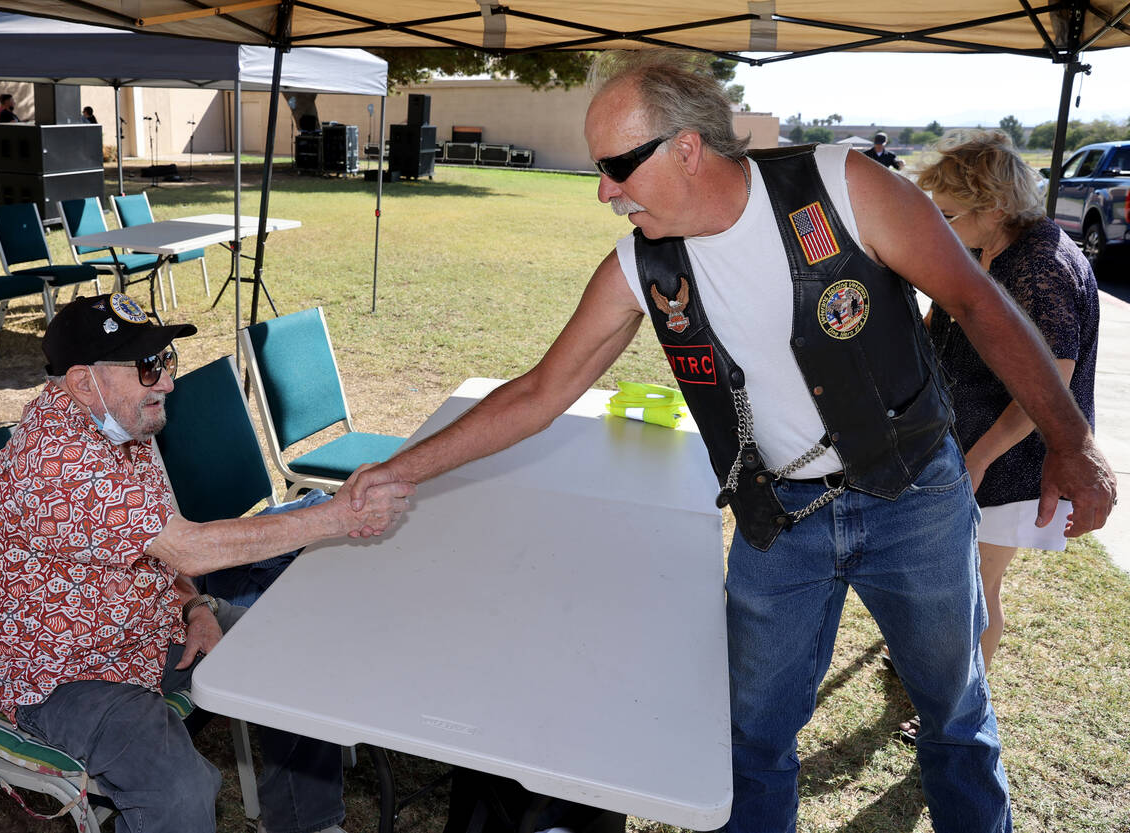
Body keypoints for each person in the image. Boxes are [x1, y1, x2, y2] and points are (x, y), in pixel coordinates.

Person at [343, 50, 1116, 833]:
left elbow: (977, 303)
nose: (606, 191)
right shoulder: (645, 262)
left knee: (953, 715)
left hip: (915, 495)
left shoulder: (843, 187)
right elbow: (543, 391)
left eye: (618, 166)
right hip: (780, 519)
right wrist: (398, 469)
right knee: (753, 737)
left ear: (686, 149)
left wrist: (1070, 441)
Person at [0, 293, 414, 833]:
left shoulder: (117, 426)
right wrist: (338, 515)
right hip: (65, 676)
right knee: (179, 790)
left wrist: (195, 606)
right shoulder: (53, 465)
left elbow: (160, 552)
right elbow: (189, 547)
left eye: (166, 360)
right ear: (85, 382)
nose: (167, 382)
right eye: (147, 366)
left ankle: (306, 824)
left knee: (297, 659)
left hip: (145, 632)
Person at [920, 130, 1100, 667]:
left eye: (949, 214)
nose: (941, 226)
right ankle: (941, 677)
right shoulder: (992, 248)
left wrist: (978, 458)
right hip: (973, 445)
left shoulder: (1040, 265)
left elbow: (1050, 382)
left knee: (976, 589)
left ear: (995, 206)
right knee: (955, 581)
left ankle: (959, 713)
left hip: (1009, 460)